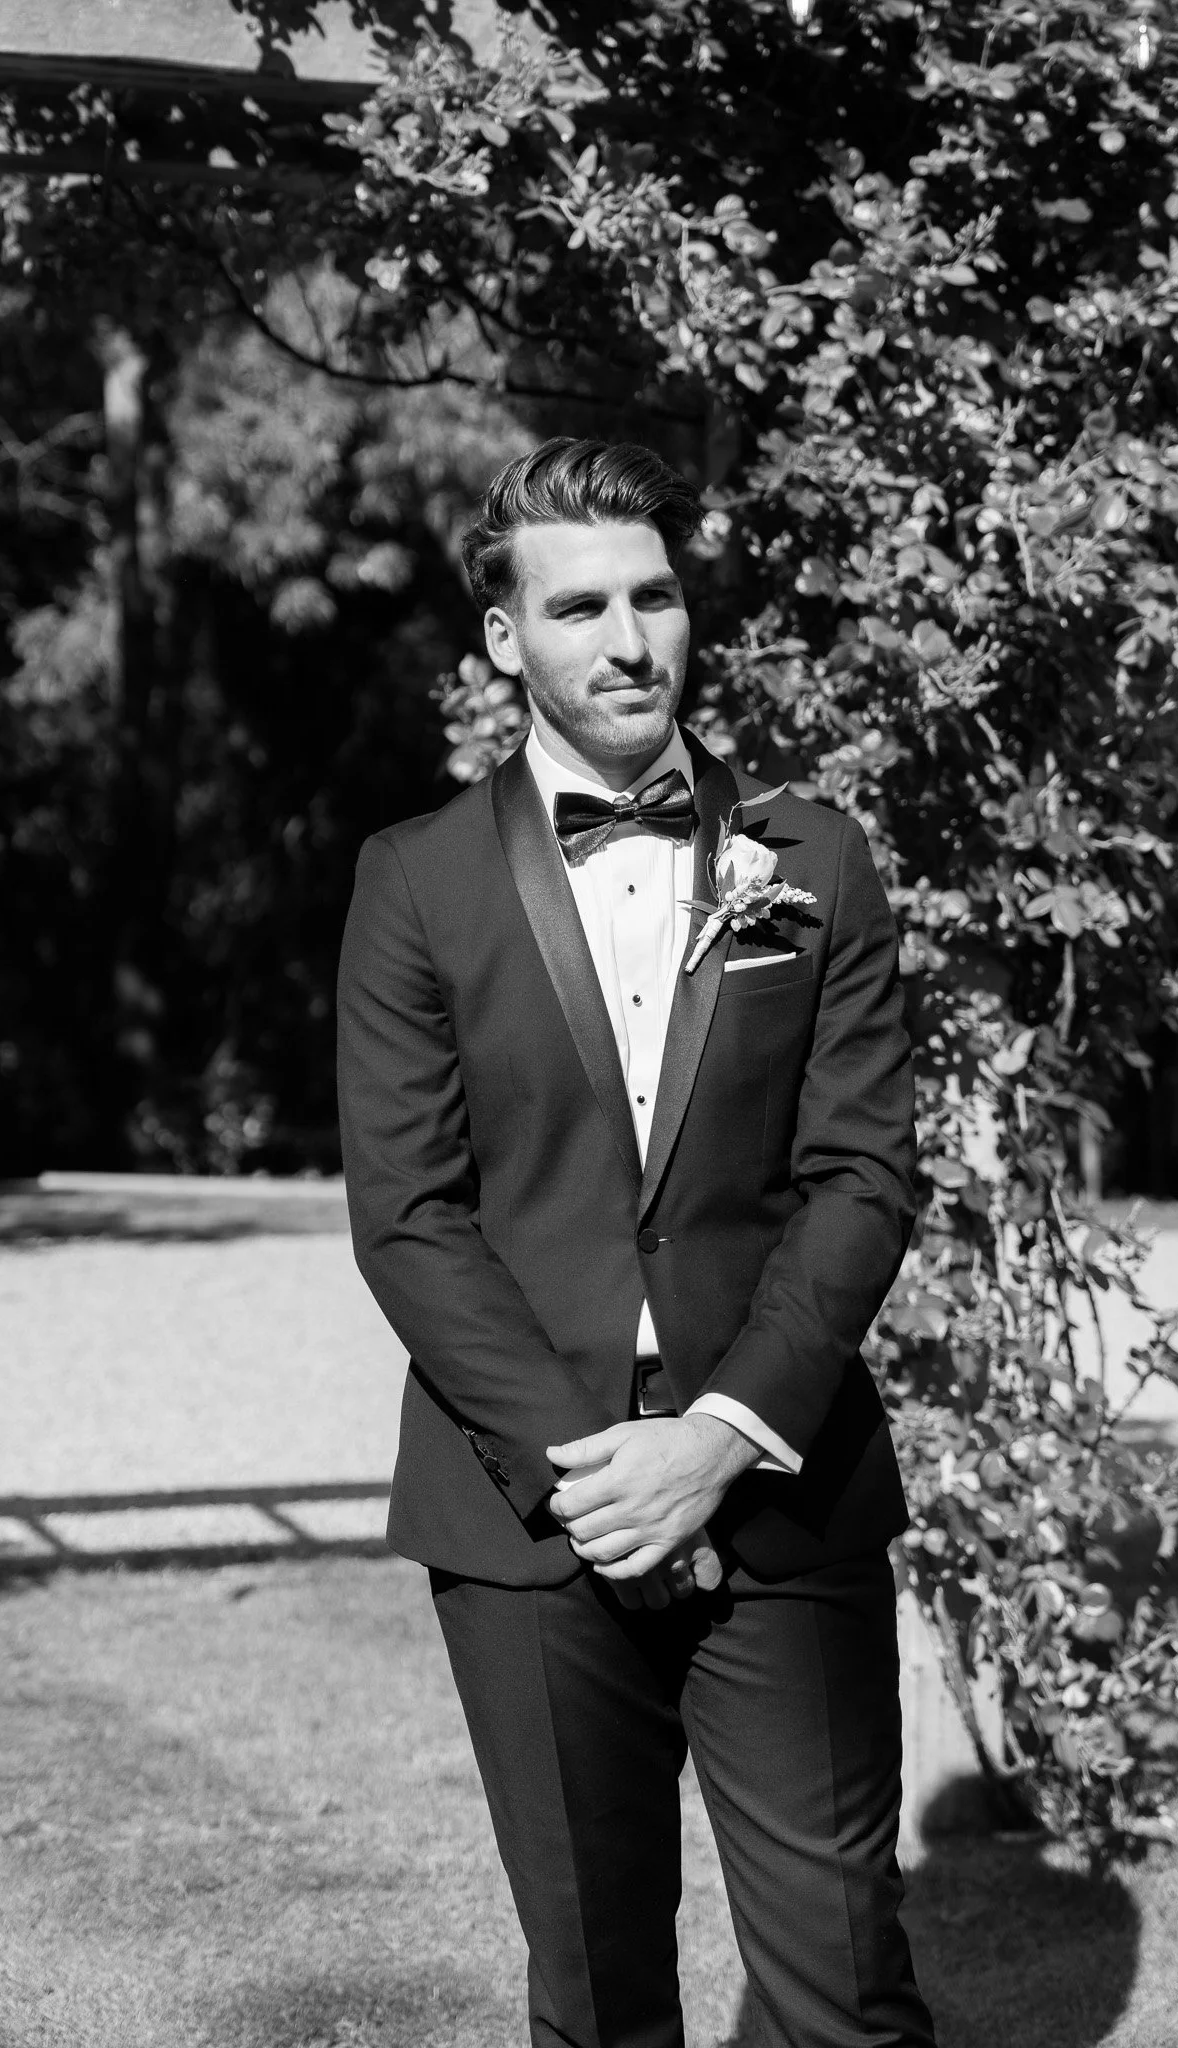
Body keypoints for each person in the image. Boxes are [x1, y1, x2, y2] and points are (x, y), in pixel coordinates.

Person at [336, 437, 935, 2048]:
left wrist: (723, 1440)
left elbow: (864, 1176)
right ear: (502, 639)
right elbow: (408, 1216)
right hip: (533, 1524)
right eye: (581, 603)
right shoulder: (414, 882)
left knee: (845, 1988)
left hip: (783, 1495)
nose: (627, 638)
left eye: (655, 596)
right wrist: (606, 1472)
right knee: (598, 1998)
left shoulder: (812, 861)